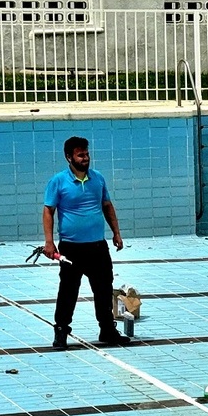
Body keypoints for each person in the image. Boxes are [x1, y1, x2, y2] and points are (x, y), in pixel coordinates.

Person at [43, 136, 131, 349]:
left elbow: (107, 205)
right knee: (68, 290)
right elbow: (48, 210)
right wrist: (49, 242)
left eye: (86, 154)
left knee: (103, 288)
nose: (85, 158)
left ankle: (107, 329)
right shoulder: (59, 181)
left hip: (97, 247)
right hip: (71, 248)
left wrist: (116, 233)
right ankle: (61, 331)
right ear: (69, 157)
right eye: (80, 154)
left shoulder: (98, 179)